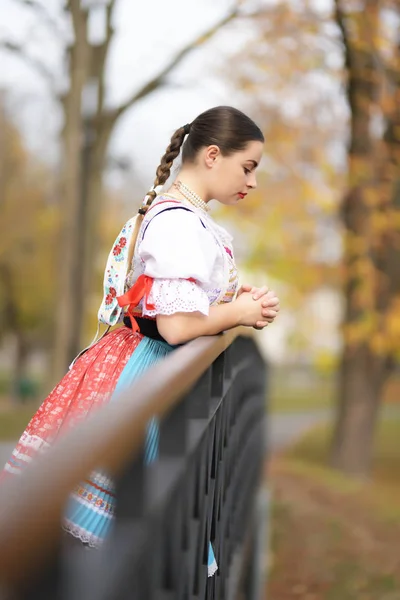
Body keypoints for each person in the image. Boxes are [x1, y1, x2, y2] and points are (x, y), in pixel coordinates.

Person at [0, 105, 280, 577]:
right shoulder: (177, 222)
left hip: (137, 362)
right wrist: (239, 313)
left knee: (137, 534)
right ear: (213, 155)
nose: (252, 182)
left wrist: (232, 299)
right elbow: (174, 327)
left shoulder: (188, 217)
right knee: (130, 533)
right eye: (248, 167)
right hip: (138, 370)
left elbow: (180, 303)